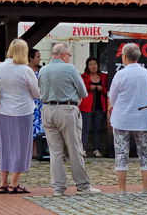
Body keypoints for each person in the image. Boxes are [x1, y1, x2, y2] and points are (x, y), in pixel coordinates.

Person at [39, 43, 101, 196]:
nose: (69, 58)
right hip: (67, 109)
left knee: (55, 152)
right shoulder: (70, 68)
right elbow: (83, 91)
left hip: (47, 109)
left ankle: (58, 187)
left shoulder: (43, 70)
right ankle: (83, 184)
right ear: (63, 55)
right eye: (68, 55)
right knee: (74, 148)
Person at [0, 39, 40, 194]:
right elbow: (37, 93)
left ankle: (3, 182)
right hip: (22, 111)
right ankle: (14, 182)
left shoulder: (0, 67)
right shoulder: (26, 70)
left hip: (3, 110)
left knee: (5, 145)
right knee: (21, 146)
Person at [108, 43, 147, 193]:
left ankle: (122, 188)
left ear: (124, 57)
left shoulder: (120, 74)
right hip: (142, 119)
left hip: (122, 118)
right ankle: (146, 187)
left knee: (121, 153)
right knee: (145, 153)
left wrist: (114, 107)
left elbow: (112, 97)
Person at [80, 57, 107, 157]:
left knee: (98, 129)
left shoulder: (104, 76)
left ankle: (96, 149)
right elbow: (80, 89)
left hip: (100, 106)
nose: (93, 66)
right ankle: (83, 149)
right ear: (87, 66)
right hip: (86, 106)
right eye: (90, 64)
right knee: (85, 129)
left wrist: (102, 89)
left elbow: (108, 90)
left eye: (94, 64)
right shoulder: (83, 76)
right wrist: (89, 88)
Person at [28, 48, 44, 158]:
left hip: (40, 102)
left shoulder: (41, 70)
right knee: (31, 125)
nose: (39, 59)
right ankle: (31, 150)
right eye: (37, 57)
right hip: (30, 101)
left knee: (40, 126)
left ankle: (38, 150)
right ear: (31, 58)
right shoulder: (26, 70)